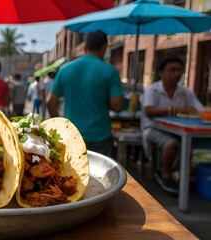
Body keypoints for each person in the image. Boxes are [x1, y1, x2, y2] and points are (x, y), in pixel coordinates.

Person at [46, 30, 124, 158]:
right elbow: (117, 105)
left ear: (85, 47)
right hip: (100, 136)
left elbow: (50, 102)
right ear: (104, 47)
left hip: (72, 135)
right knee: (101, 175)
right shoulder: (110, 71)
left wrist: (60, 127)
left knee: (73, 175)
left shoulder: (65, 69)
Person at [141, 57, 203, 193]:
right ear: (161, 73)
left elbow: (200, 110)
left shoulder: (186, 92)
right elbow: (149, 111)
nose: (176, 73)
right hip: (151, 128)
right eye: (172, 70)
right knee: (172, 144)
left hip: (177, 131)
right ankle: (165, 175)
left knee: (192, 145)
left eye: (179, 70)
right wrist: (176, 110)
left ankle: (180, 174)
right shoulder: (153, 89)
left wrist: (197, 112)